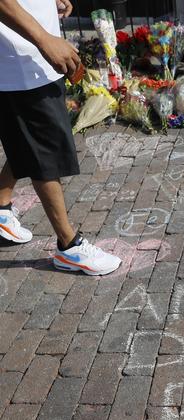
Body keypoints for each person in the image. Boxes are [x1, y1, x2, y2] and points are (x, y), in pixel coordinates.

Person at [0, 0, 121, 275]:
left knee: (27, 139)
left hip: (32, 55)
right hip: (20, 59)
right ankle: (68, 245)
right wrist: (44, 39)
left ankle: (0, 204)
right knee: (45, 148)